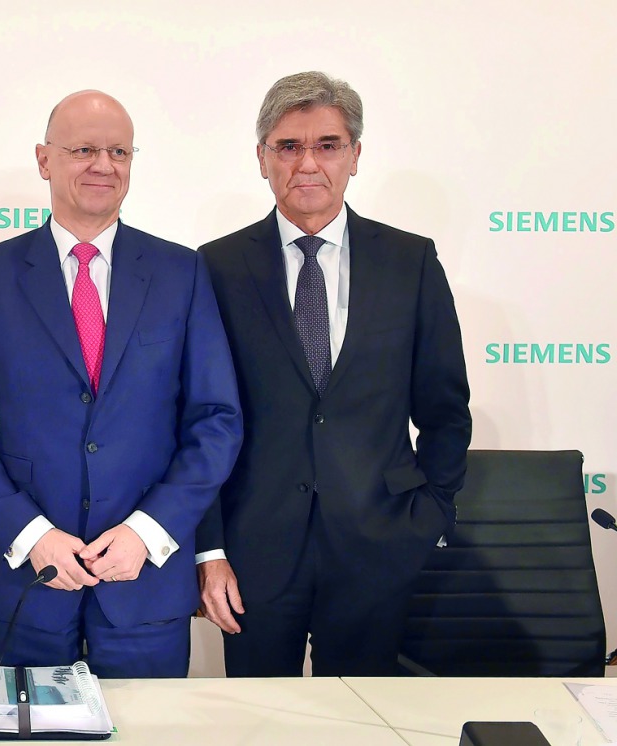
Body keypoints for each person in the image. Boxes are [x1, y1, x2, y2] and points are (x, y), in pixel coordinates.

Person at [0, 90, 242, 678]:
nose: (103, 164)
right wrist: (31, 534)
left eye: (118, 151)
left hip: (144, 581)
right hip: (28, 581)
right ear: (44, 159)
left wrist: (148, 532)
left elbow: (216, 420)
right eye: (83, 149)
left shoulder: (182, 273)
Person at [196, 71, 472, 677]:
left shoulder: (411, 261)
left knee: (366, 725)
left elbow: (445, 408)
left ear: (355, 156)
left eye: (328, 144)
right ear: (262, 159)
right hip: (254, 549)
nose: (307, 164)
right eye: (288, 147)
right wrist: (209, 547)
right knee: (259, 723)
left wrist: (431, 517)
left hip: (379, 545)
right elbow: (198, 421)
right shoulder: (214, 267)